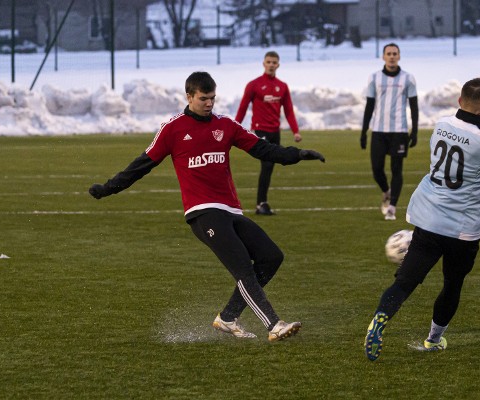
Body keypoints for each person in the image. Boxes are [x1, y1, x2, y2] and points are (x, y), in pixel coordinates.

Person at [88, 71, 325, 342]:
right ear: (189, 96)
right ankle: (273, 324)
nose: (209, 104)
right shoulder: (173, 128)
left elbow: (262, 149)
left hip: (231, 211)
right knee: (243, 270)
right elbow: (142, 164)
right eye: (203, 99)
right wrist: (108, 188)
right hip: (203, 213)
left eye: (212, 98)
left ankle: (227, 318)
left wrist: (297, 155)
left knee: (271, 257)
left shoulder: (226, 125)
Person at [364, 79, 480, 361]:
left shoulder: (441, 124)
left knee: (405, 282)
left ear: (458, 100)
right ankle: (433, 339)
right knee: (452, 285)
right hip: (463, 229)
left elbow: (459, 141)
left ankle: (381, 317)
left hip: (428, 219)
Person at [235, 51, 301, 216]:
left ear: (278, 65)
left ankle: (262, 203)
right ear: (263, 64)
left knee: (269, 168)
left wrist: (296, 132)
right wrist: (235, 126)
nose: (271, 65)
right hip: (260, 130)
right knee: (267, 164)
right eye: (268, 62)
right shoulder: (254, 85)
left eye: (274, 62)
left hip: (274, 132)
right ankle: (261, 204)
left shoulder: (282, 86)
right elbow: (243, 107)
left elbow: (289, 111)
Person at [361, 43, 419, 221]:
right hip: (378, 130)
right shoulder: (374, 78)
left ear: (399, 56)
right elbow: (369, 106)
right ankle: (387, 191)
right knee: (376, 169)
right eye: (389, 54)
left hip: (399, 131)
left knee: (396, 169)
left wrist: (414, 130)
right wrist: (364, 131)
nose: (392, 56)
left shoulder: (408, 78)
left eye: (395, 53)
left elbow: (414, 106)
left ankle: (392, 207)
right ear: (383, 57)